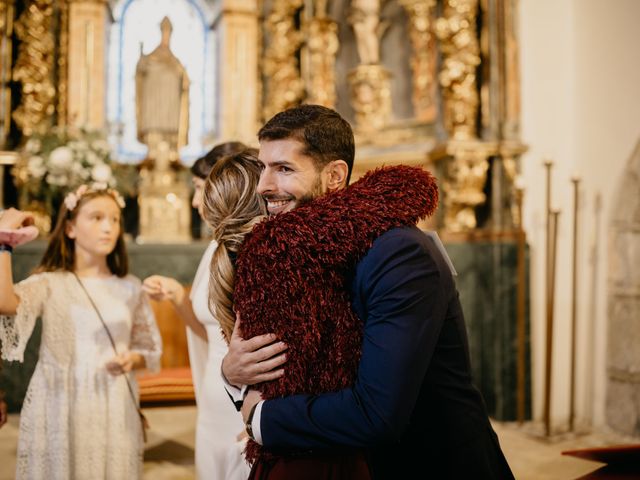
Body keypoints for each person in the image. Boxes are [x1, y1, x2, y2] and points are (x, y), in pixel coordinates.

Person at [222, 104, 515, 479]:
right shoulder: (301, 252)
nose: (264, 185)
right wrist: (233, 373)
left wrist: (259, 418)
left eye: (284, 168)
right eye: (263, 167)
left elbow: (377, 413)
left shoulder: (400, 253)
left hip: (432, 465)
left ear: (335, 176)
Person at [0, 184, 162, 479]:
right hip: (60, 401)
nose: (108, 228)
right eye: (97, 218)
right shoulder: (50, 283)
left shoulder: (130, 286)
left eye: (114, 220)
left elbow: (148, 350)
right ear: (71, 228)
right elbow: (4, 302)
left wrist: (131, 360)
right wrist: (4, 244)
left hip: (113, 402)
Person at [142, 142, 259, 480]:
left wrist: (264, 414)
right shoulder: (216, 248)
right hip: (213, 389)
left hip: (242, 397)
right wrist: (179, 298)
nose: (196, 202)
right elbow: (211, 329)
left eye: (199, 189)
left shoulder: (250, 252)